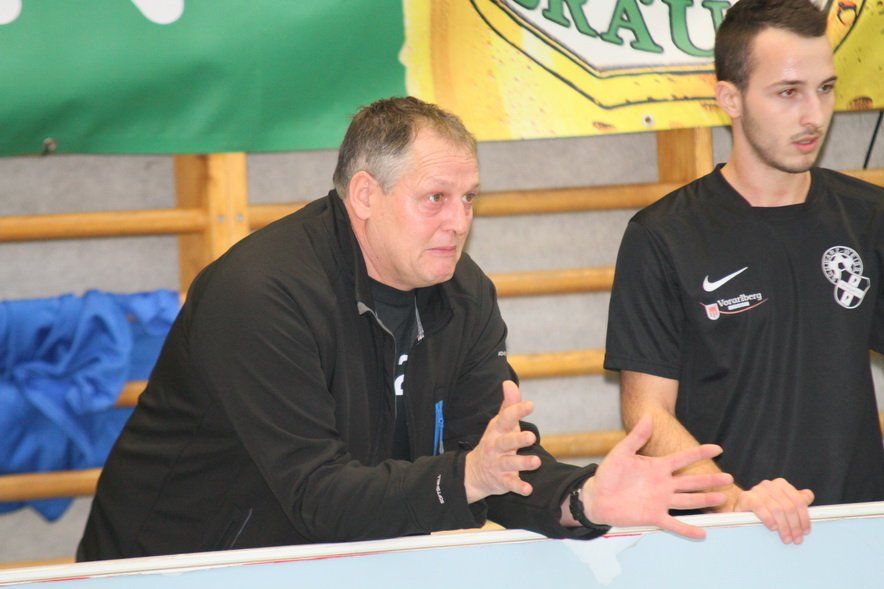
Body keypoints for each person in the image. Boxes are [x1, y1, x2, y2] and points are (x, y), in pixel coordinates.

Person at [77, 97, 731, 561]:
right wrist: (465, 477)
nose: (459, 221)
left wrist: (584, 500)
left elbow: (497, 461)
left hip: (324, 564)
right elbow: (317, 494)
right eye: (435, 198)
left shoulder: (464, 293)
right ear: (365, 195)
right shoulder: (261, 294)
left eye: (468, 198)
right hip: (167, 568)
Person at [604, 0, 884, 548]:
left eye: (825, 89)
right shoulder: (664, 236)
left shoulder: (869, 216)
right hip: (728, 538)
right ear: (730, 98)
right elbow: (646, 413)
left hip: (858, 531)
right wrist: (734, 501)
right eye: (788, 92)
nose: (814, 115)